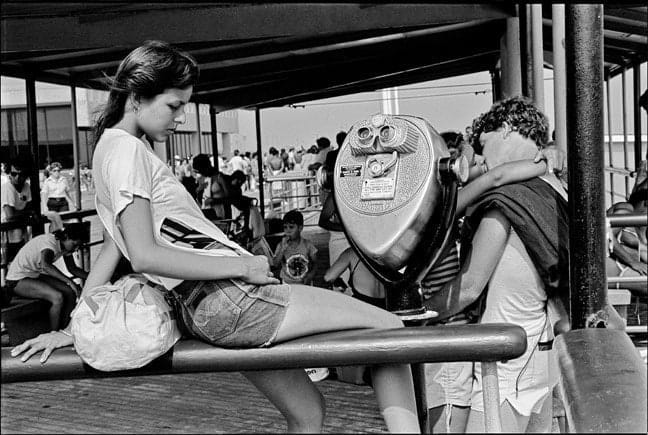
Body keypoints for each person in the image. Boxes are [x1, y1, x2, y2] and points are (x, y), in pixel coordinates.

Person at [11, 41, 420, 433]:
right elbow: (144, 256)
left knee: (308, 412)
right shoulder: (129, 152)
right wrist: (246, 265)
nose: (180, 118)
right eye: (173, 105)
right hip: (230, 297)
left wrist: (75, 325)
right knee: (387, 330)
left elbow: (110, 249)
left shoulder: (108, 149)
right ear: (136, 97)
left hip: (208, 309)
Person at [424, 97, 571, 433]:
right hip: (542, 358)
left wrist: (417, 314)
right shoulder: (556, 188)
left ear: (504, 129)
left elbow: (470, 287)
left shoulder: (507, 203)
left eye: (483, 142)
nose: (481, 154)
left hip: (505, 369)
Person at [5, 223, 88, 331]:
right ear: (67, 237)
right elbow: (46, 266)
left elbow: (73, 269)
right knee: (57, 297)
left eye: (78, 246)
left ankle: (65, 328)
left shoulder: (65, 246)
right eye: (74, 245)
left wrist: (92, 276)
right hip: (17, 279)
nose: (75, 249)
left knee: (70, 292)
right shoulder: (49, 243)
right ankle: (53, 333)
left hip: (33, 274)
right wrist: (71, 282)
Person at [606, 180, 647, 297]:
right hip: (608, 267)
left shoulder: (639, 227)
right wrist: (632, 261)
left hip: (621, 270)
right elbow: (604, 235)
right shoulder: (626, 208)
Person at [272, 210, 318, 286]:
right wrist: (282, 250)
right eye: (285, 227)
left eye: (291, 227)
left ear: (300, 228)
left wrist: (310, 275)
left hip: (304, 283)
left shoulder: (308, 245)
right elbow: (275, 264)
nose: (288, 231)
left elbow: (315, 263)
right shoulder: (281, 245)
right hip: (287, 284)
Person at [1, 156, 34, 262]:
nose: (17, 177)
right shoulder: (7, 187)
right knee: (10, 262)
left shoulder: (26, 186)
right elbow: (9, 215)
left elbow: (30, 207)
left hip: (22, 231)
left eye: (21, 174)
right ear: (9, 173)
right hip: (8, 232)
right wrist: (27, 213)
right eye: (14, 174)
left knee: (23, 260)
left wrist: (22, 213)